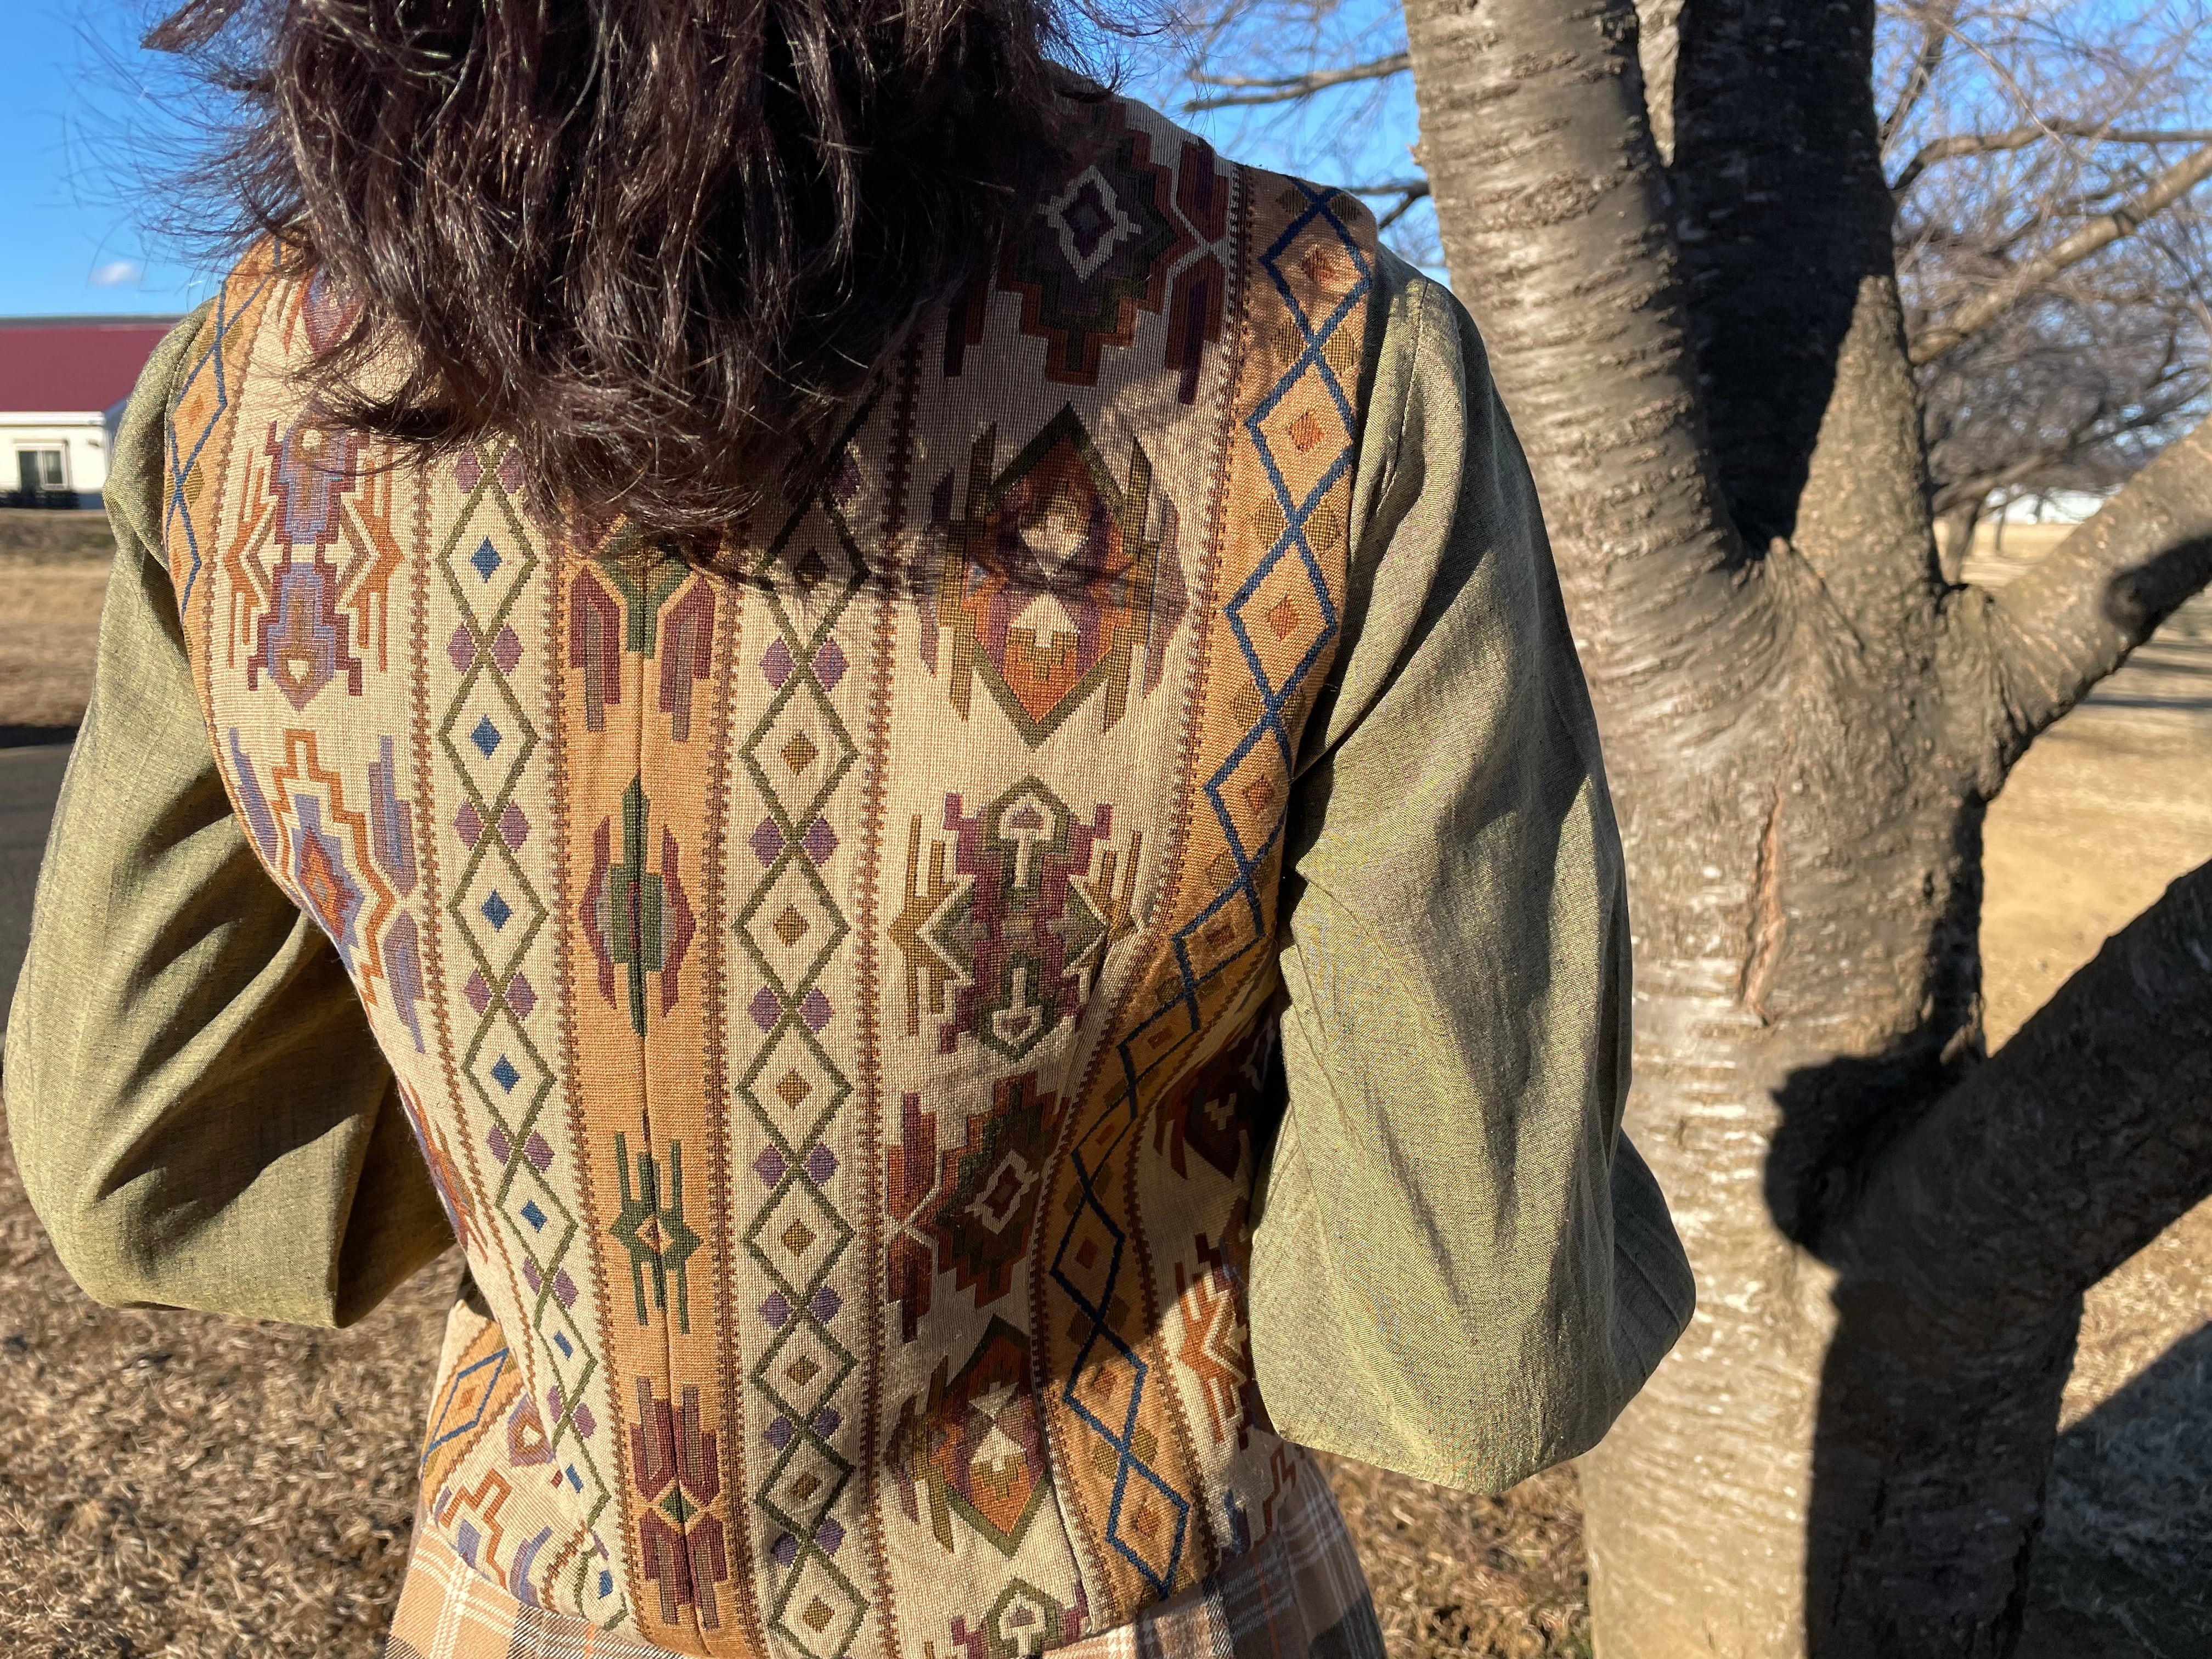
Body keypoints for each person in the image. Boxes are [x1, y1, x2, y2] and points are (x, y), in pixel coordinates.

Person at [5, 2, 1694, 1656]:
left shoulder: (247, 396)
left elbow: (149, 1172)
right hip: (1151, 1600)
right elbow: (1469, 1351)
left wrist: (544, 1141)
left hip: (526, 1605)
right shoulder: (1313, 350)